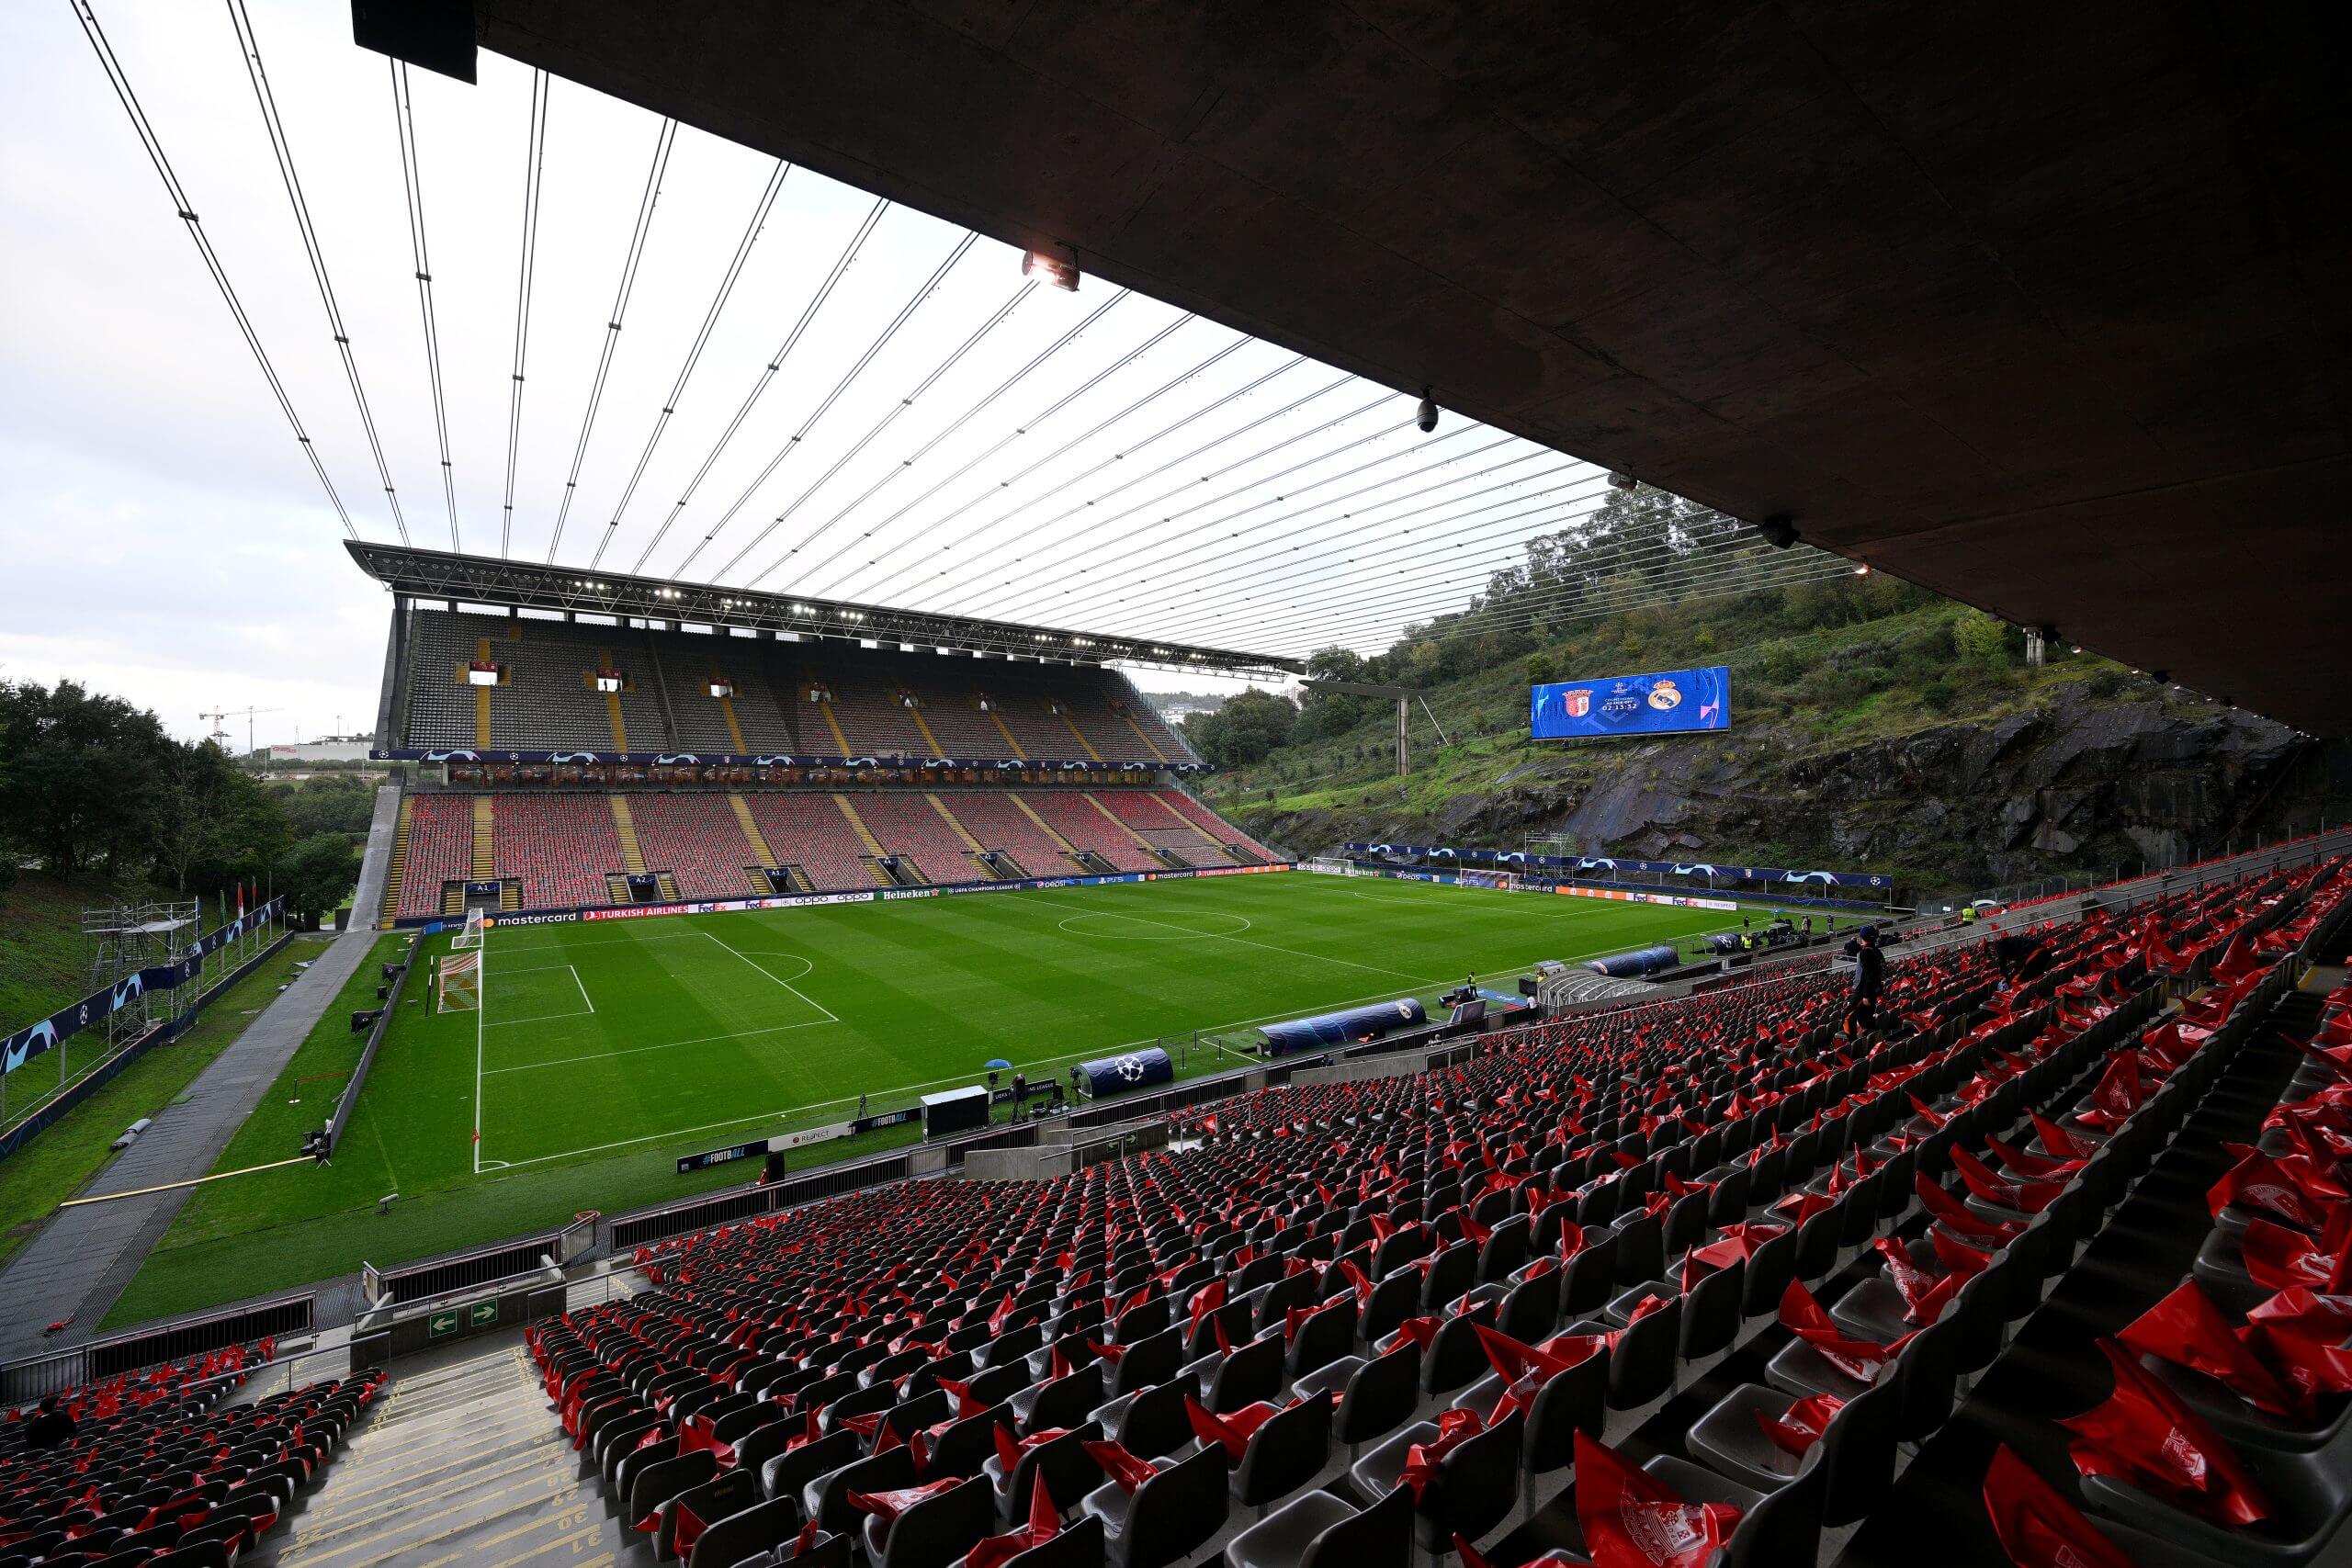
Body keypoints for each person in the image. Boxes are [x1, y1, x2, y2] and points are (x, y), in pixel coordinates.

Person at [1842, 925, 1885, 1035]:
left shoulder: (1865, 952)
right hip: (1873, 988)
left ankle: (1852, 1044)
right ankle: (1873, 1038)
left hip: (1863, 991)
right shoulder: (1876, 951)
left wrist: (1866, 995)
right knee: (1865, 1017)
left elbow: (1869, 975)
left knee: (1847, 1015)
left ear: (1862, 936)